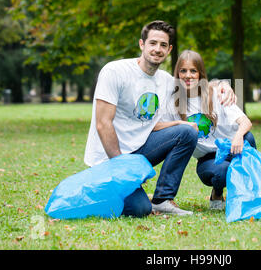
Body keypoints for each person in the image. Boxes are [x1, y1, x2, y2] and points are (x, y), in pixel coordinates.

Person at [84, 21, 235, 217]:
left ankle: (162, 200)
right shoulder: (115, 71)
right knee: (139, 209)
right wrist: (124, 168)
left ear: (169, 49)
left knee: (187, 131)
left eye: (163, 45)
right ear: (142, 44)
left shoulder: (164, 80)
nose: (157, 49)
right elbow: (103, 124)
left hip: (141, 149)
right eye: (153, 43)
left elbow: (196, 84)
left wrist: (223, 85)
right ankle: (98, 185)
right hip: (110, 156)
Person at [154, 50, 256, 210]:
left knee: (248, 138)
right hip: (208, 159)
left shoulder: (216, 94)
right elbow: (156, 126)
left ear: (200, 73)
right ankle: (217, 192)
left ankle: (247, 194)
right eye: (183, 71)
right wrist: (181, 124)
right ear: (177, 74)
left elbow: (245, 122)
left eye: (193, 71)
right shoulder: (172, 102)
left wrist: (238, 136)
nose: (188, 75)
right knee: (222, 172)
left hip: (232, 147)